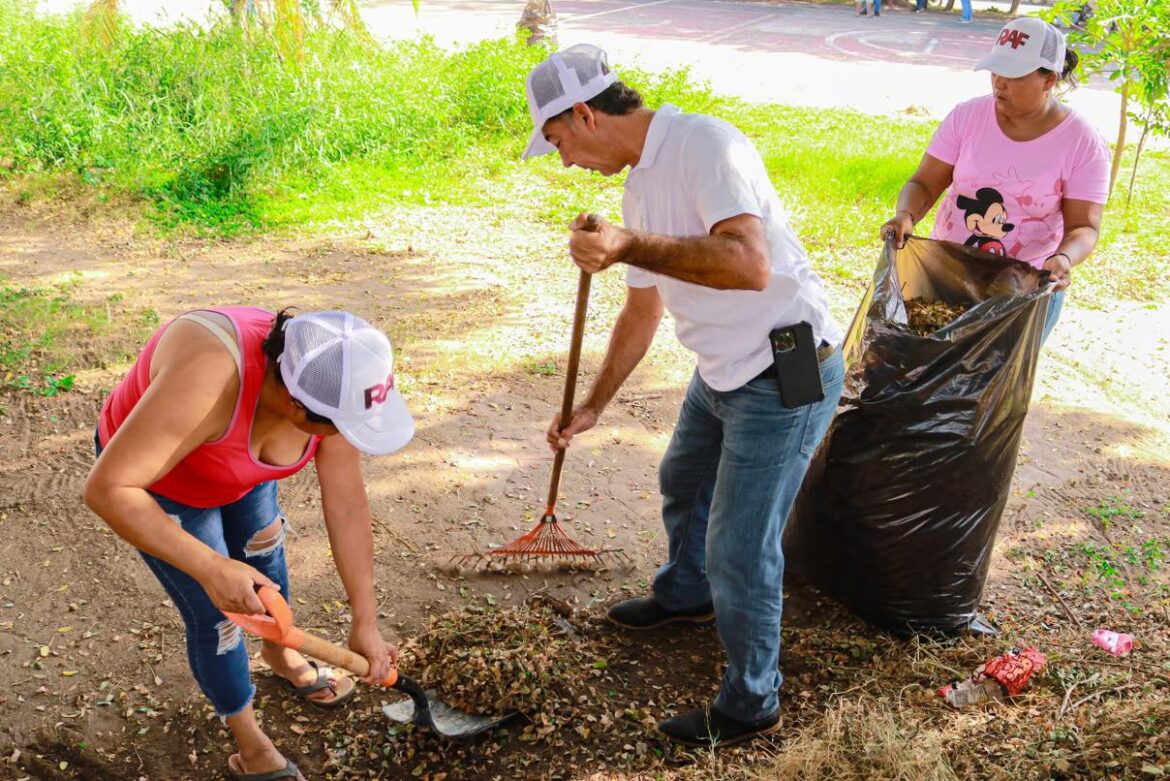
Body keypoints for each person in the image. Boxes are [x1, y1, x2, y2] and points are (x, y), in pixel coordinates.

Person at [521, 44, 844, 747]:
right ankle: (686, 593)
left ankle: (753, 699)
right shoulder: (640, 182)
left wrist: (632, 243)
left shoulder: (707, 144)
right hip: (724, 366)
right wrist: (593, 405)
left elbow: (751, 265)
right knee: (683, 479)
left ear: (584, 113)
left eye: (559, 142)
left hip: (788, 359)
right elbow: (642, 310)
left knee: (742, 541)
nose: (567, 161)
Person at [84, 307, 414, 781]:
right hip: (155, 480)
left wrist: (366, 619)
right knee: (217, 611)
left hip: (238, 464)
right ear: (295, 408)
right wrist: (211, 567)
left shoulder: (332, 383)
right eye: (340, 429)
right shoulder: (209, 381)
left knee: (265, 558)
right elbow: (108, 489)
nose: (348, 439)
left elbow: (346, 504)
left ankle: (278, 653)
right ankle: (251, 744)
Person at [880, 17, 1108, 343]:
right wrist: (907, 214)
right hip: (948, 272)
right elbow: (925, 183)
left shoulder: (1081, 141)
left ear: (1049, 81)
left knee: (992, 386)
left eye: (1013, 75)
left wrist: (1064, 258)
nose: (999, 82)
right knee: (923, 368)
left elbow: (1083, 227)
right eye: (995, 71)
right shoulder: (967, 117)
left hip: (1022, 290)